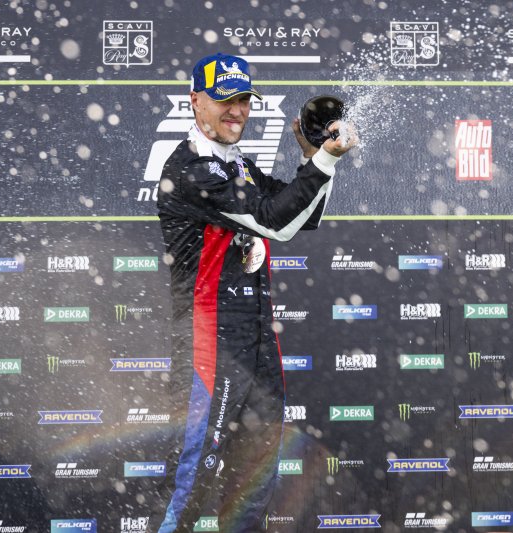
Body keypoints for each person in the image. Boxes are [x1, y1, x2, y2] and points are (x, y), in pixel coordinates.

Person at [149, 52, 357, 532]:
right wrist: (324, 160)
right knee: (189, 487)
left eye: (243, 100)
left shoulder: (237, 163)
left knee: (251, 490)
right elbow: (273, 222)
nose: (237, 111)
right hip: (211, 345)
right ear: (195, 101)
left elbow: (303, 216)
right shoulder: (191, 170)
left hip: (258, 343)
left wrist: (312, 157)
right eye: (225, 100)